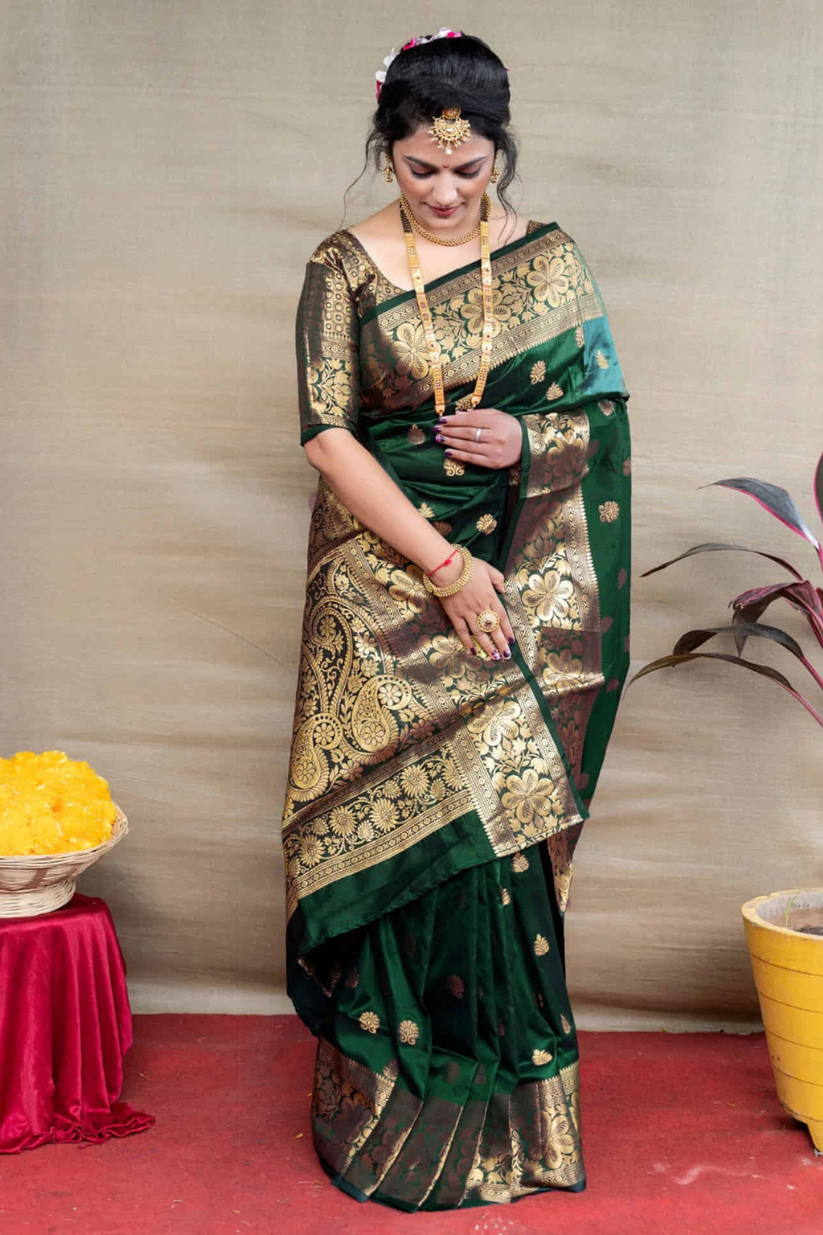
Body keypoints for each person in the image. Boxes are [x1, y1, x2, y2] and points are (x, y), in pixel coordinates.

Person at [281, 28, 630, 1211]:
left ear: (498, 153)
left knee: (497, 829)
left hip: (521, 579)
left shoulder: (550, 259)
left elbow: (607, 429)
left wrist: (532, 441)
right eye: (419, 168)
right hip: (383, 582)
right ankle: (391, 1121)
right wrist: (440, 564)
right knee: (404, 850)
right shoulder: (342, 266)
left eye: (466, 170)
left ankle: (510, 1128)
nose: (442, 191)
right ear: (388, 150)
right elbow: (327, 433)